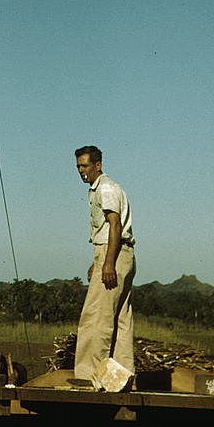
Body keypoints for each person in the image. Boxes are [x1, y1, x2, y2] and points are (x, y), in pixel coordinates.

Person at [72, 145, 136, 389]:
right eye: (78, 166)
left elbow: (114, 225)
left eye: (85, 166)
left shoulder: (106, 188)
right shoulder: (103, 188)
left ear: (97, 165)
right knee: (120, 318)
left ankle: (90, 376)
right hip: (119, 253)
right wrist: (97, 261)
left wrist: (107, 262)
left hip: (115, 253)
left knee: (96, 317)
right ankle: (122, 378)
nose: (81, 171)